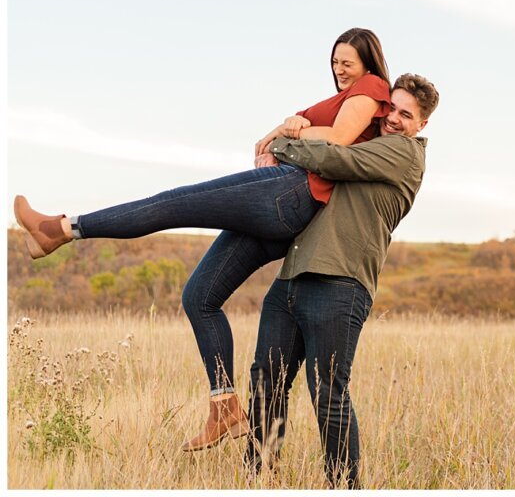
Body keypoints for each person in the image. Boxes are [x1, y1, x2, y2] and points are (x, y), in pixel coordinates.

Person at [12, 28, 392, 451]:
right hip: (285, 201)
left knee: (174, 203)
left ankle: (61, 229)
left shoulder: (372, 88)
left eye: (347, 63)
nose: (339, 70)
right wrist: (281, 133)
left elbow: (338, 140)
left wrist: (292, 134)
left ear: (367, 65)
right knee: (199, 296)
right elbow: (276, 137)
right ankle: (224, 405)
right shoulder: (341, 97)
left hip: (290, 192)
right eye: (334, 62)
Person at [245, 73, 438, 489]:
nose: (394, 119)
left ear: (421, 124)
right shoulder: (368, 138)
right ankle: (258, 478)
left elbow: (335, 159)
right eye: (391, 108)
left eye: (407, 114)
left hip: (341, 284)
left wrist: (279, 143)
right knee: (267, 384)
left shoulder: (405, 154)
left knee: (328, 395)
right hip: (293, 276)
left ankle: (343, 486)